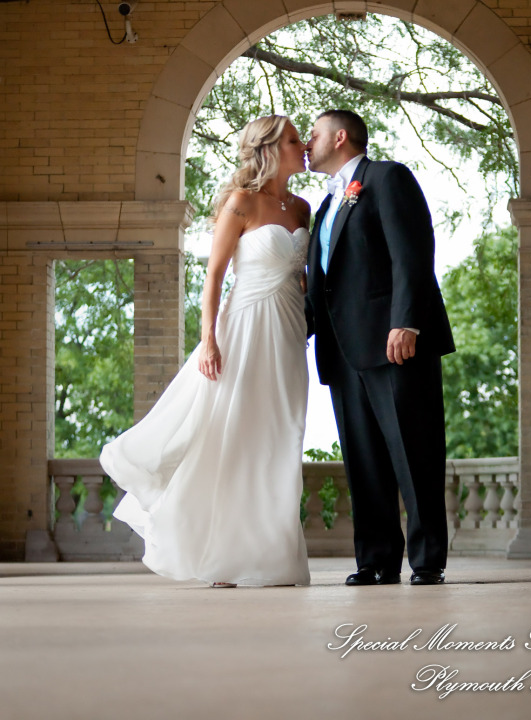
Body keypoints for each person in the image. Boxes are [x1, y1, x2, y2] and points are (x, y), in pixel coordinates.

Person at [100, 115, 312, 587]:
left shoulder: (302, 208)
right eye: (294, 140)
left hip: (287, 333)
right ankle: (224, 557)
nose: (304, 147)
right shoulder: (240, 202)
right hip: (243, 328)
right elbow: (213, 276)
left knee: (283, 436)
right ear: (269, 149)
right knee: (235, 436)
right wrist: (210, 339)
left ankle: (274, 557)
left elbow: (301, 276)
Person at [305, 110, 454, 586]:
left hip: (395, 344)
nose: (307, 143)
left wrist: (406, 321)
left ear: (340, 137)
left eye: (313, 134)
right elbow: (323, 282)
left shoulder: (387, 177)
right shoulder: (327, 204)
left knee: (415, 453)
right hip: (341, 351)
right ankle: (376, 560)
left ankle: (427, 561)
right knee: (363, 460)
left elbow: (412, 252)